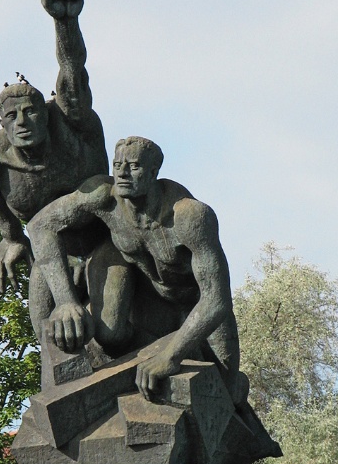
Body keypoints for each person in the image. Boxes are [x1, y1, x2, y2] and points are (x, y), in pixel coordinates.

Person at [28, 136, 242, 402]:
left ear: (154, 173)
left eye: (134, 166)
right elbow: (39, 226)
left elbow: (216, 299)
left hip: (193, 304)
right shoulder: (103, 196)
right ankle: (134, 359)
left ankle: (165, 353)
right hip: (146, 295)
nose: (123, 173)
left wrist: (169, 356)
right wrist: (65, 302)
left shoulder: (190, 216)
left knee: (228, 394)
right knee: (107, 334)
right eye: (118, 165)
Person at [0, 0, 108, 336]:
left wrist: (65, 21)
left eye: (30, 111)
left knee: (112, 330)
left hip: (107, 240)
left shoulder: (72, 123)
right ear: (2, 123)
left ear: (45, 113)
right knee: (47, 331)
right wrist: (11, 237)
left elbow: (72, 70)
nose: (23, 122)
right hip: (54, 256)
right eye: (11, 117)